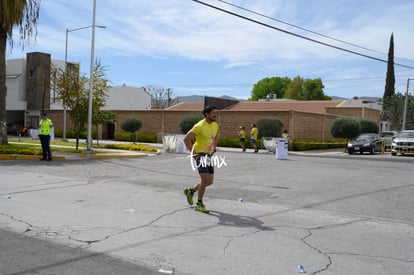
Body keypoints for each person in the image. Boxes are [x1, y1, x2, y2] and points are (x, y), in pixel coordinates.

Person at [183, 106, 219, 213]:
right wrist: (193, 153)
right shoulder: (199, 125)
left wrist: (214, 148)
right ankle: (199, 203)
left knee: (209, 181)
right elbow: (186, 139)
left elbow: (215, 137)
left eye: (216, 113)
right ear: (206, 114)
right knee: (204, 180)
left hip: (208, 155)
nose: (215, 115)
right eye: (213, 113)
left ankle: (190, 191)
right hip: (200, 154)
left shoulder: (215, 125)